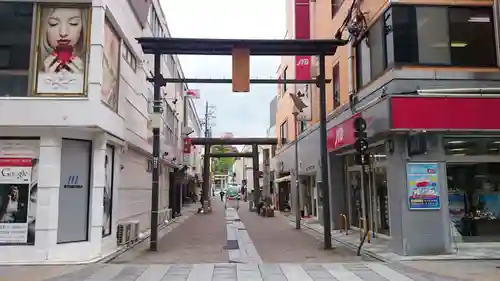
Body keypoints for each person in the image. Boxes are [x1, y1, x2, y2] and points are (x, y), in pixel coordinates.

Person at [39, 8, 88, 74]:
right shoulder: (33, 63)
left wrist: (83, 80)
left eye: (73, 23)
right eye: (53, 24)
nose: (63, 33)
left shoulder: (97, 64)